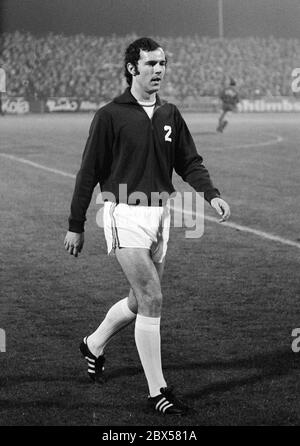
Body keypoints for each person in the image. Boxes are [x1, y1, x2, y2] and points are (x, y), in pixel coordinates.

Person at [64, 37, 230, 415]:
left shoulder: (170, 113)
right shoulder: (110, 115)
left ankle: (93, 343)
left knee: (140, 302)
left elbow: (189, 162)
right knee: (154, 298)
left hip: (161, 215)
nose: (159, 70)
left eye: (163, 63)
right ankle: (158, 391)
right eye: (151, 63)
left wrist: (211, 194)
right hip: (124, 213)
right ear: (132, 68)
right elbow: (88, 172)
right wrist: (76, 224)